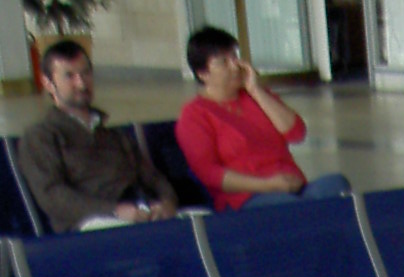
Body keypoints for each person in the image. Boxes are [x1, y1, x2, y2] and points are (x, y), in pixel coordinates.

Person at [176, 27, 350, 211]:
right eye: (223, 62)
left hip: (293, 188)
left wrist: (256, 90)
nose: (235, 66)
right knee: (295, 208)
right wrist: (268, 185)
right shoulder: (194, 115)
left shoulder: (256, 96)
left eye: (235, 57)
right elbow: (208, 173)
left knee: (337, 185)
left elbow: (296, 133)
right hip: (246, 197)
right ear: (203, 73)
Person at [16, 41, 179, 233]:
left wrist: (168, 202)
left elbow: (152, 177)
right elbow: (53, 196)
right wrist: (114, 211)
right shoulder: (41, 136)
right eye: (69, 76)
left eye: (86, 73)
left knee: (199, 223)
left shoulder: (113, 135)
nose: (81, 83)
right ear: (48, 83)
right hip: (88, 225)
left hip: (138, 212)